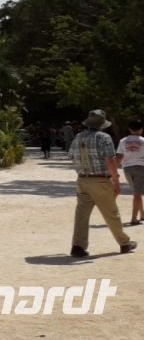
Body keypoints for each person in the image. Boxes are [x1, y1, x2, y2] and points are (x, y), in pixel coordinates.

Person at [69, 110, 136, 257]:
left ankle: (78, 246)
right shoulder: (104, 137)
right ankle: (124, 243)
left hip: (82, 179)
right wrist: (116, 180)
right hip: (100, 180)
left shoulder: (78, 137)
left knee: (81, 215)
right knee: (111, 213)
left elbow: (72, 157)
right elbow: (109, 160)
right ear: (102, 124)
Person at [119, 120, 144, 226]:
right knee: (137, 194)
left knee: (136, 191)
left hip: (127, 168)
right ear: (141, 129)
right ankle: (134, 218)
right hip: (141, 167)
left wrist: (113, 171)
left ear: (129, 129)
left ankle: (142, 214)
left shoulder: (123, 141)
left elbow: (119, 156)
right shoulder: (143, 140)